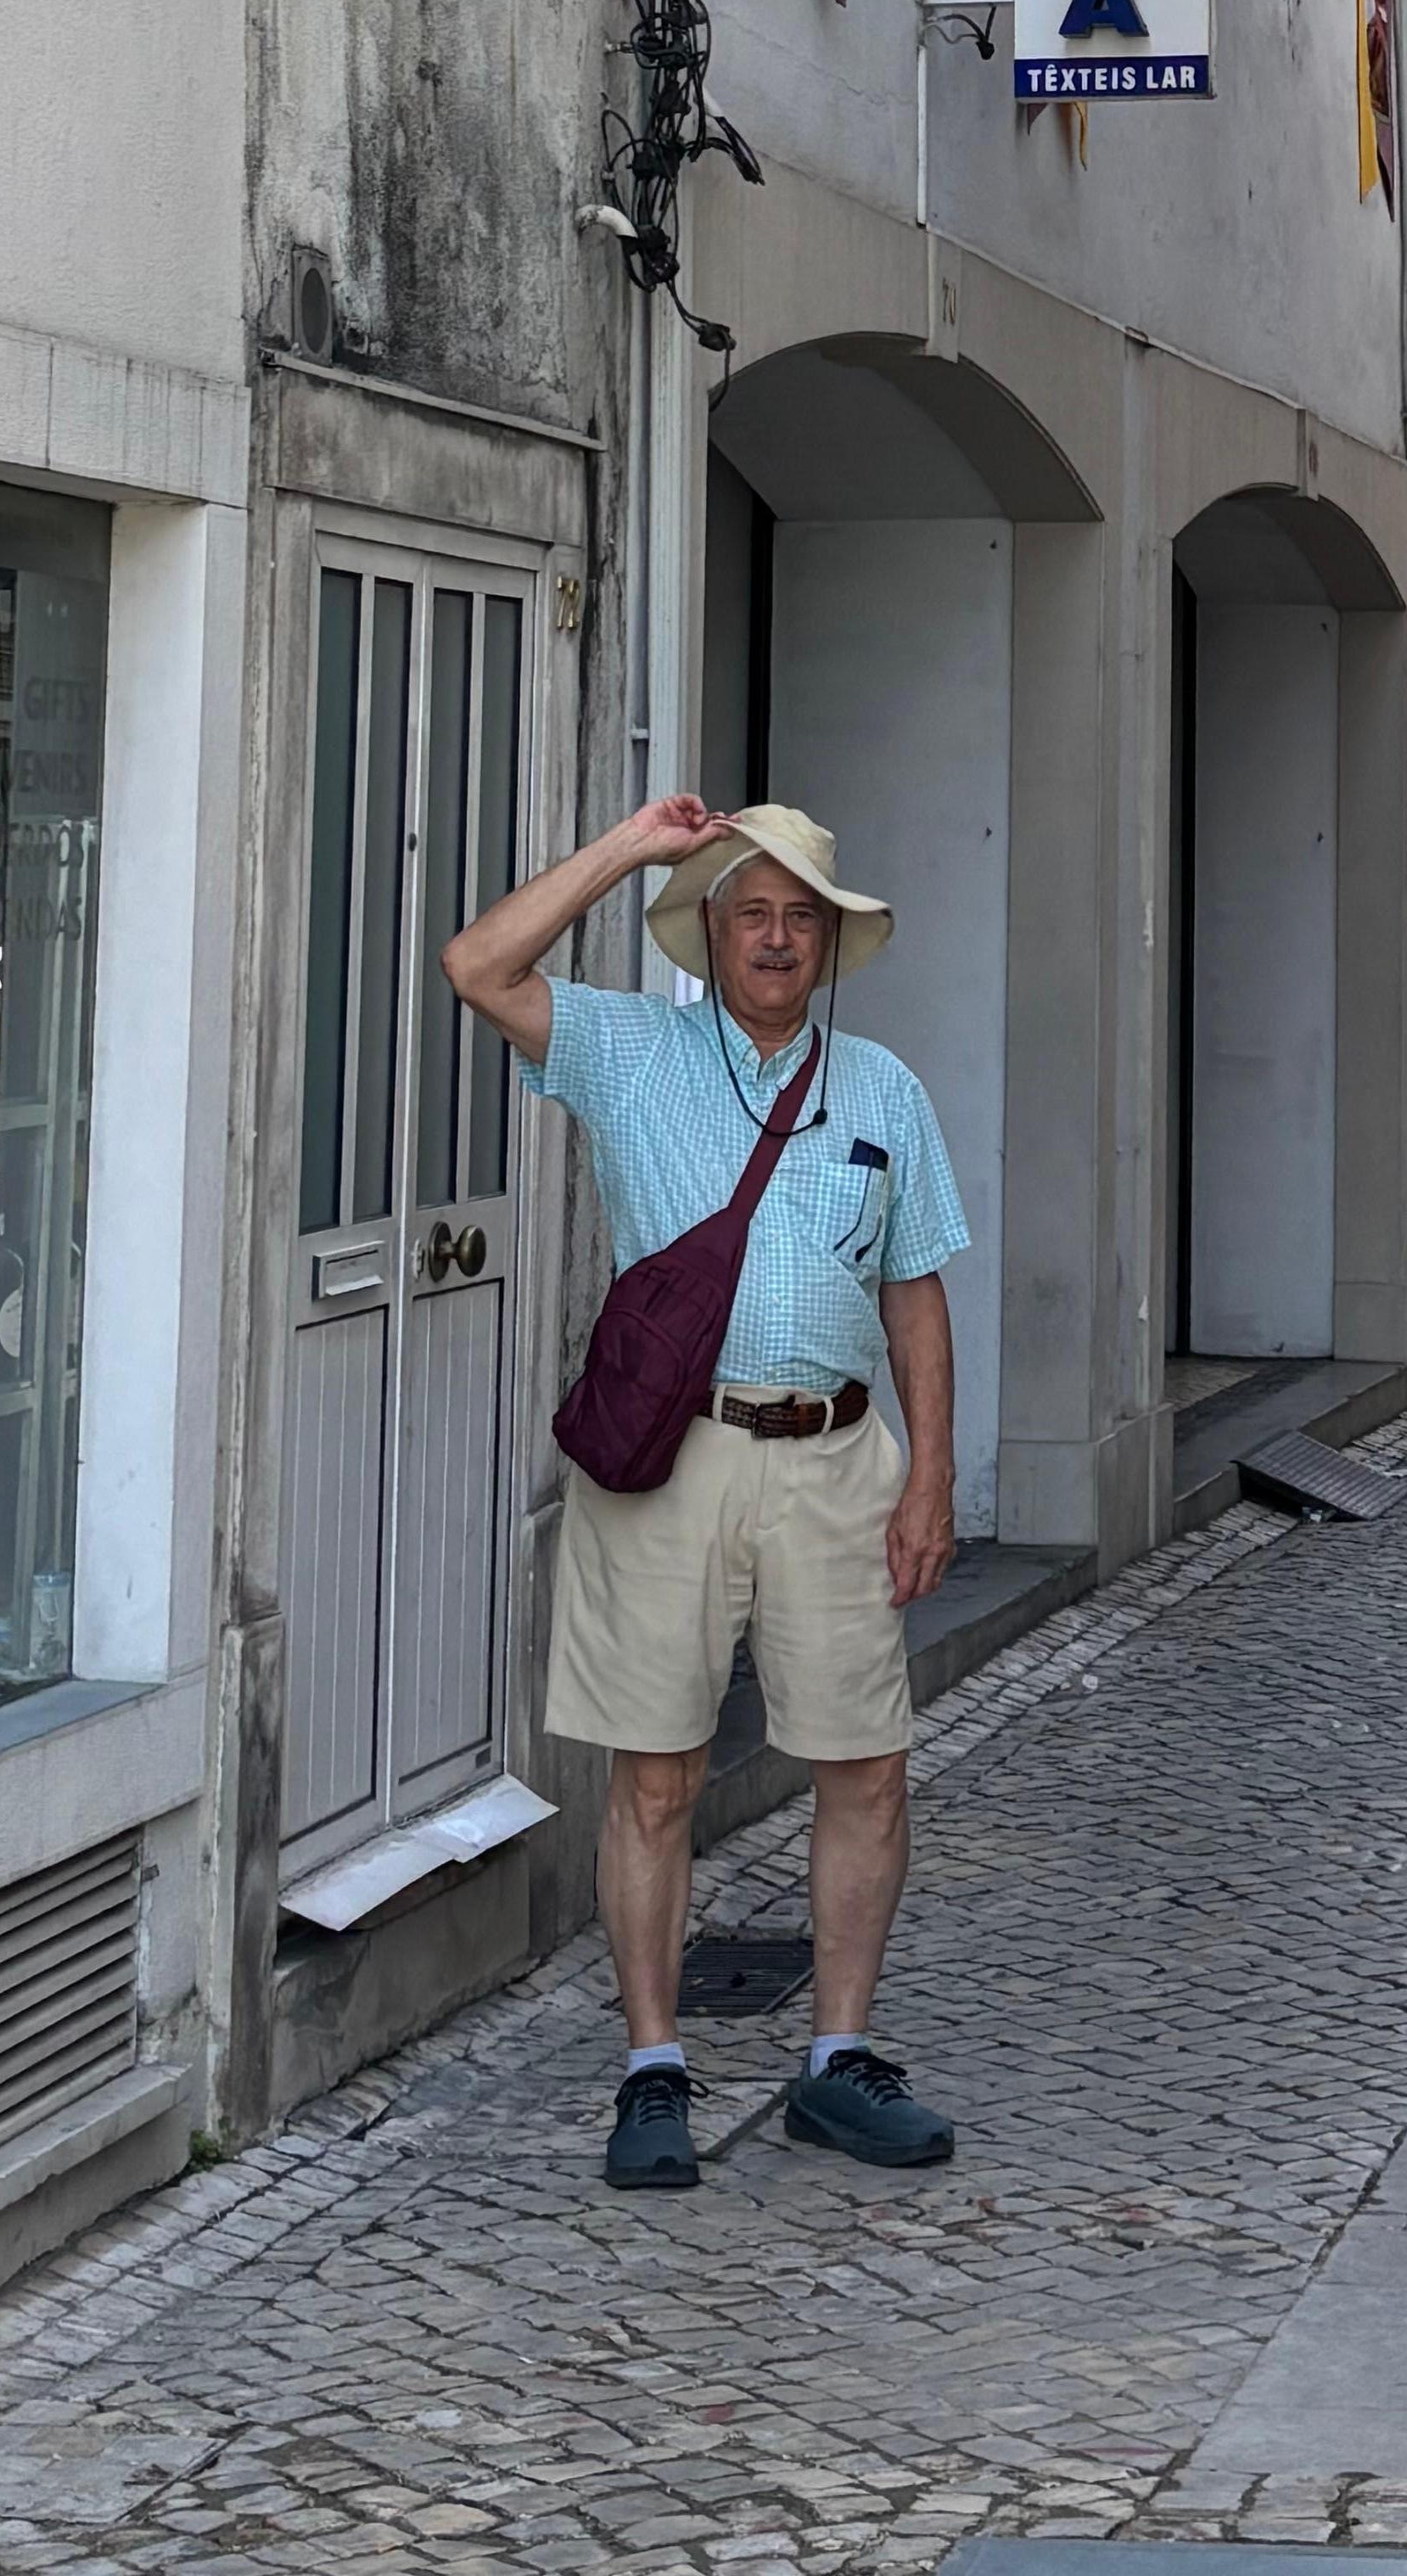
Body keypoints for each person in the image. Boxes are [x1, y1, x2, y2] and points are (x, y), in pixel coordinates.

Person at [442, 794, 968, 2191]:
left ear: (830, 942)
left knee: (863, 1761)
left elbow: (916, 1294)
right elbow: (475, 967)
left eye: (802, 917)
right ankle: (652, 2066)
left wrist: (929, 1476)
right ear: (711, 933)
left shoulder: (885, 1091)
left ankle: (835, 2058)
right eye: (752, 912)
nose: (778, 938)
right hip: (668, 1457)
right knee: (656, 1770)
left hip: (839, 1459)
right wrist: (624, 849)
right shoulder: (627, 1049)